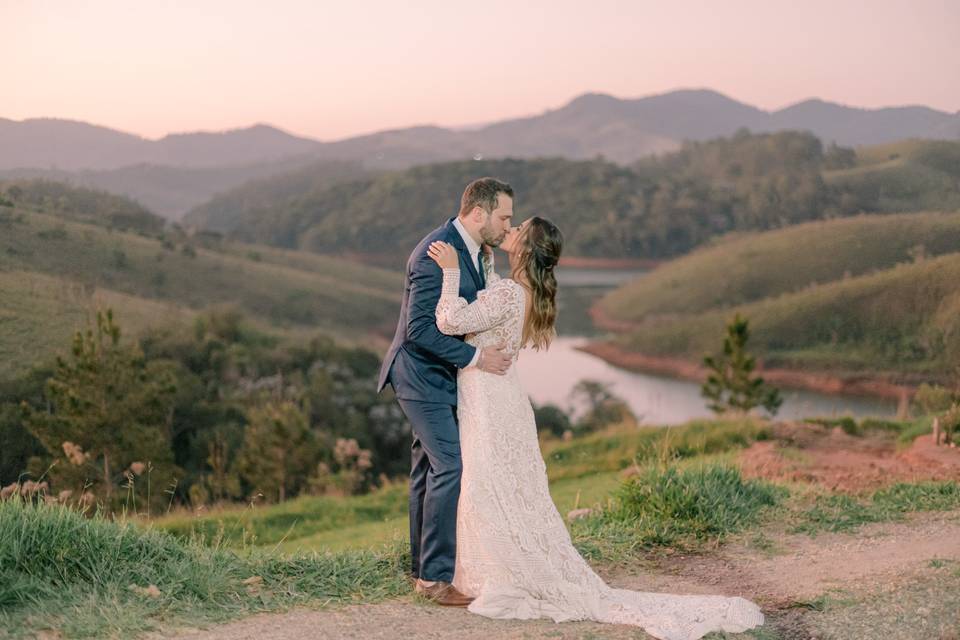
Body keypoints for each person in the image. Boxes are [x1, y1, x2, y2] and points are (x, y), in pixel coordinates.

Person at [424, 215, 766, 640]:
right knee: (502, 485)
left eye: (516, 230)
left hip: (490, 399)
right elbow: (494, 308)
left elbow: (449, 322)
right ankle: (490, 564)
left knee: (486, 484)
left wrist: (452, 272)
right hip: (502, 396)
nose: (508, 231)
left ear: (526, 249)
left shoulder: (513, 292)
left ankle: (490, 571)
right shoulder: (524, 292)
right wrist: (488, 265)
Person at [377, 177, 515, 606]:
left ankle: (422, 569)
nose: (508, 225)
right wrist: (477, 360)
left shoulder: (475, 251)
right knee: (449, 466)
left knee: (426, 470)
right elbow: (418, 332)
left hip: (439, 377)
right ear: (478, 213)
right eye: (504, 216)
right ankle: (435, 580)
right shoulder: (435, 253)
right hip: (418, 375)